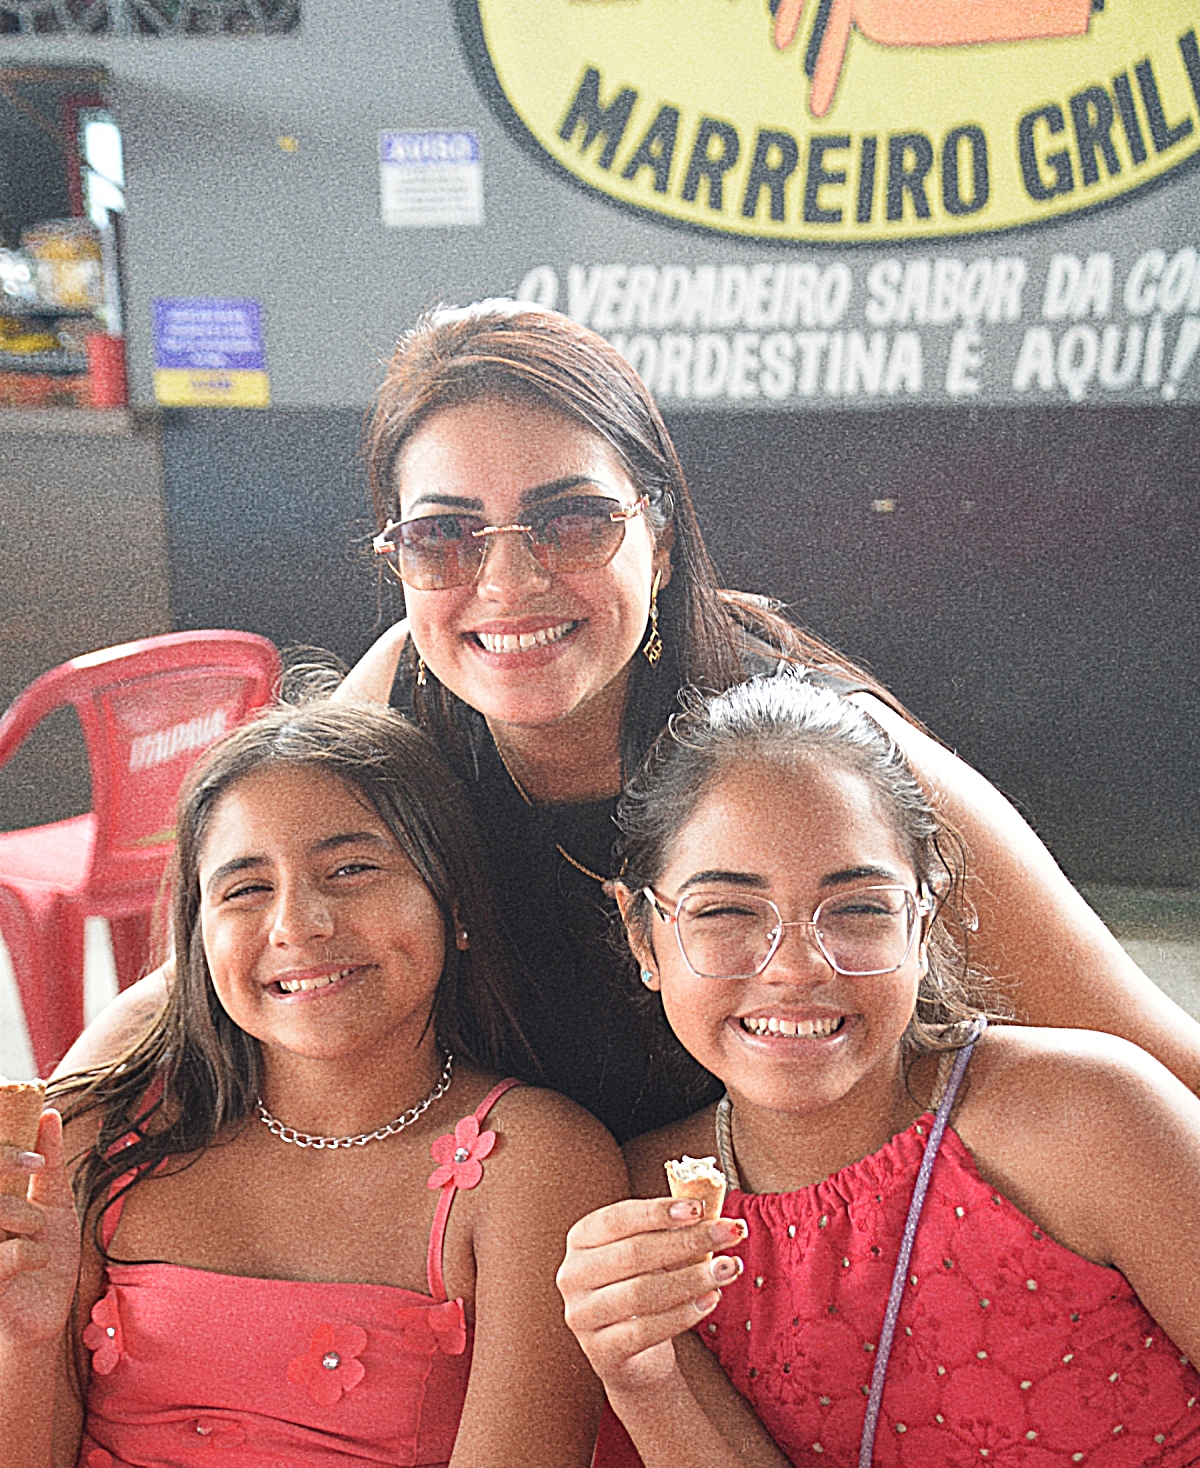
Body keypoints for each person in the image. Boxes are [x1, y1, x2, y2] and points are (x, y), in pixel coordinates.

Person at [63, 302, 1200, 1138]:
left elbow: (1153, 1059)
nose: (507, 583)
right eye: (444, 535)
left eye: (570, 520)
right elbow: (188, 990)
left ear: (656, 537)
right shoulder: (406, 688)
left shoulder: (816, 749)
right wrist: (45, 1128)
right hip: (527, 1252)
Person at [557, 672, 1200, 1468]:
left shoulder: (1084, 1116)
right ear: (642, 932)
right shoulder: (652, 1222)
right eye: (726, 911)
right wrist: (643, 1376)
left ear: (925, 913)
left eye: (855, 907)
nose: (796, 965)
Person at [0, 695, 627, 1468]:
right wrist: (18, 1343)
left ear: (455, 905)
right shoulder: (105, 1137)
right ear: (197, 935)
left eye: (352, 870)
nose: (299, 924)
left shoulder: (529, 1164)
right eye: (245, 889)